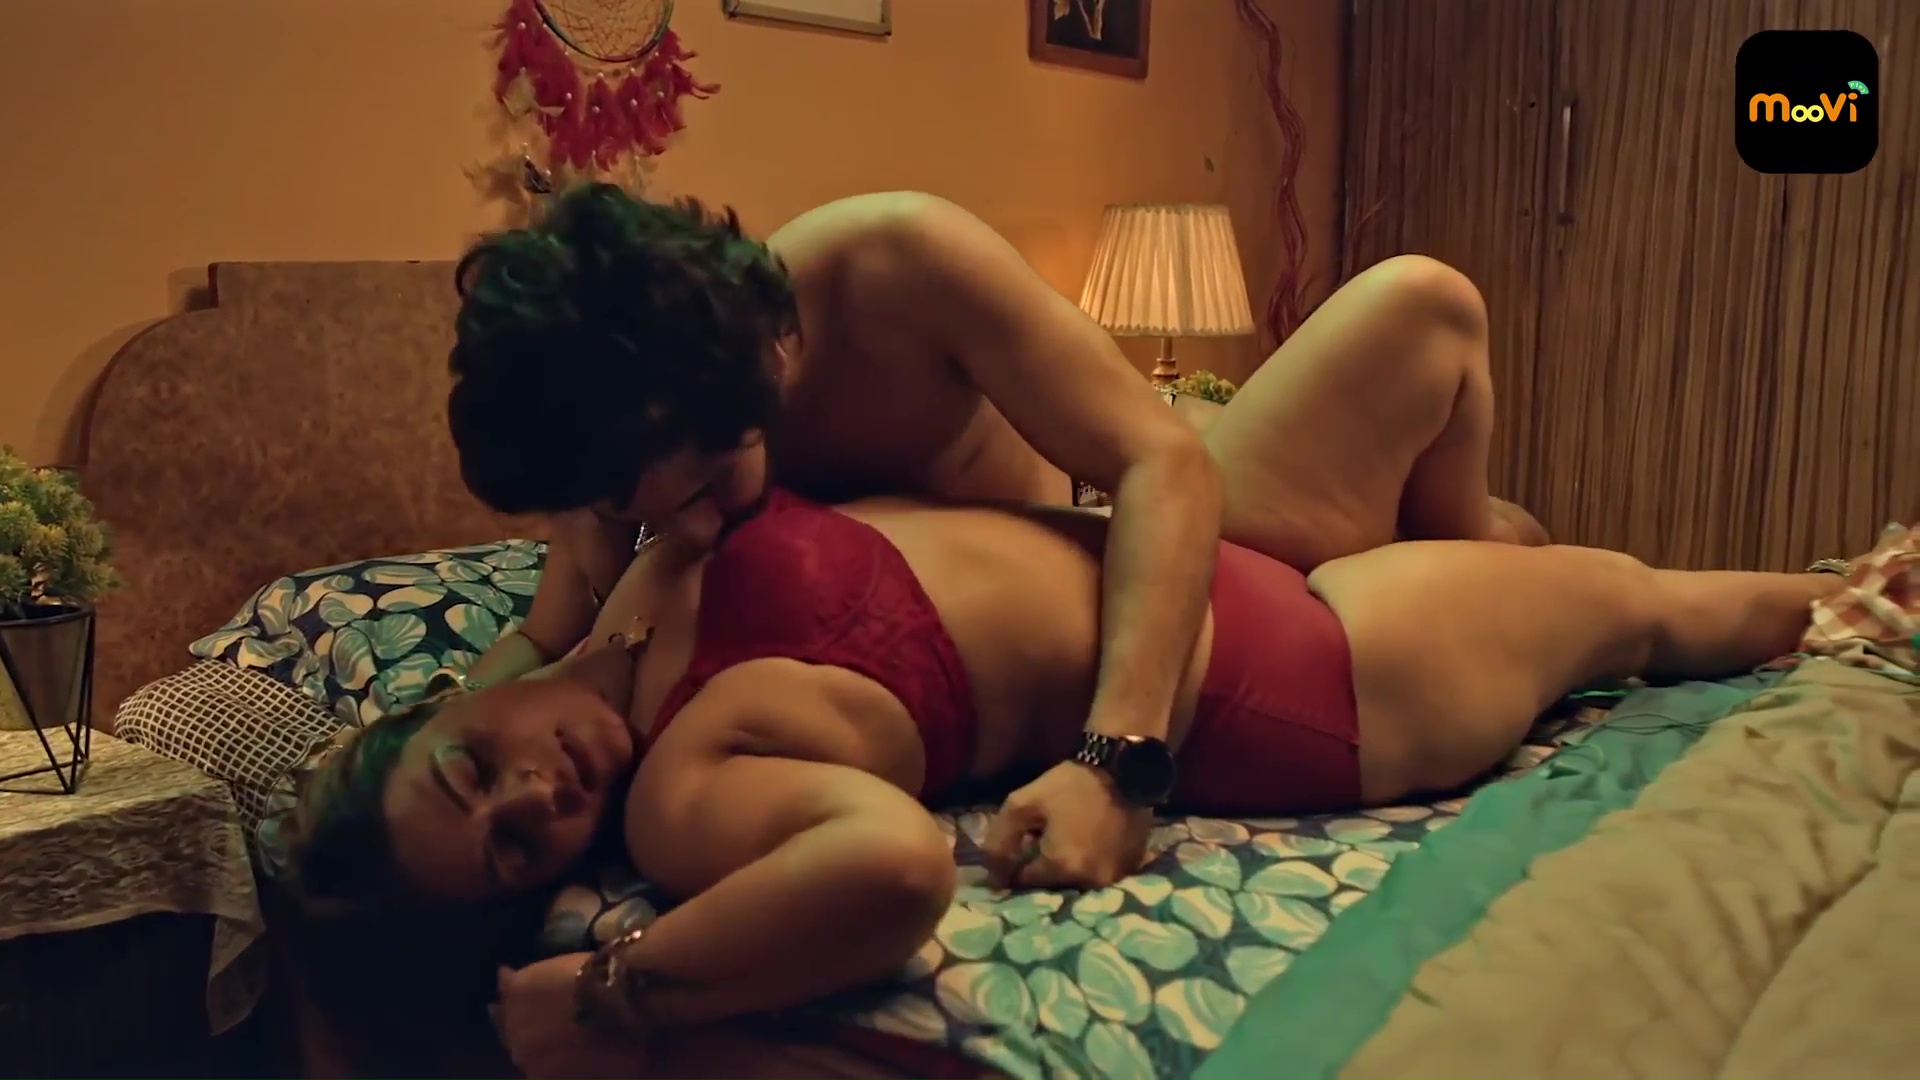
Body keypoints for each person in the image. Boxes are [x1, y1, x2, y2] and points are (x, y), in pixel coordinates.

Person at [288, 482, 1839, 1080]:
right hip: (1302, 684)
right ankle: (1877, 608)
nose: (536, 795)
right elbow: (896, 869)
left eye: (472, 769)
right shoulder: (678, 795)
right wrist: (620, 988)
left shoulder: (612, 580)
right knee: (1659, 604)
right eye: (516, 849)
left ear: (452, 704)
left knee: (1550, 518)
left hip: (1216, 580)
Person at [445, 182, 1548, 893]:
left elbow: (1161, 465)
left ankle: (1477, 533)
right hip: (1073, 565)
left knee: (1427, 304)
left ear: (771, 354)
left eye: (710, 484)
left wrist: (1114, 765)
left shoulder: (894, 265)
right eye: (647, 512)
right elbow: (543, 636)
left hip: (1167, 513)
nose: (690, 531)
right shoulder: (614, 423)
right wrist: (415, 744)